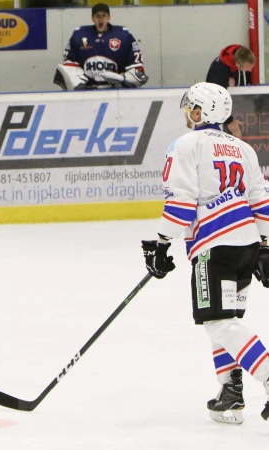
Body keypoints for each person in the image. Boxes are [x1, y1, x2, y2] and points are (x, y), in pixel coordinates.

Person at [141, 82, 269, 425]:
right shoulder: (243, 149)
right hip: (246, 245)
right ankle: (230, 392)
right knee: (226, 322)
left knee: (218, 322)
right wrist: (266, 246)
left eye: (192, 108)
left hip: (214, 246)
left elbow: (181, 204)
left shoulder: (186, 145)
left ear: (202, 112)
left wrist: (160, 242)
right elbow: (260, 200)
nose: (189, 113)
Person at [53, 2, 148, 91]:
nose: (100, 19)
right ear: (92, 18)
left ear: (109, 17)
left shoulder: (124, 35)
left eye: (104, 15)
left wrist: (122, 79)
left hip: (116, 92)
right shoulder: (79, 35)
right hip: (88, 92)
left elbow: (138, 70)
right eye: (97, 16)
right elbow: (69, 67)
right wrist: (78, 81)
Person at [206, 45, 256, 139]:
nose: (250, 70)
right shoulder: (220, 72)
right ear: (237, 64)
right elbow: (216, 99)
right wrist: (229, 121)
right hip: (212, 114)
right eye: (247, 68)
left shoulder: (239, 54)